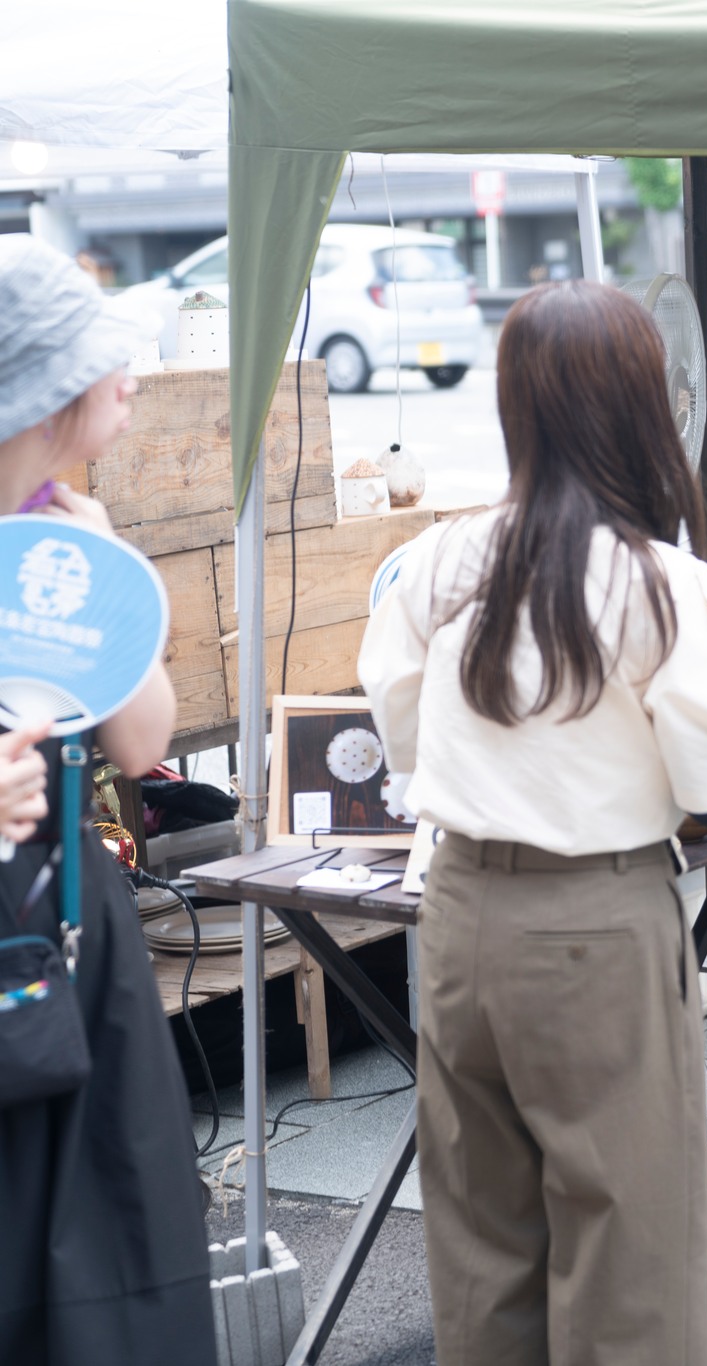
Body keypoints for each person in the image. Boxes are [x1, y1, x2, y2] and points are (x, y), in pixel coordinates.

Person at [359, 279, 707, 1366]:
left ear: (515, 407)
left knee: (482, 1247)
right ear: (643, 407)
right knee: (626, 1254)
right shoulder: (662, 585)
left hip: (455, 917)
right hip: (594, 927)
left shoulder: (439, 563)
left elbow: (406, 738)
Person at [0, 235, 214, 1362]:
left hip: (74, 920)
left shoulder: (69, 530)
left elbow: (142, 738)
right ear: (45, 387)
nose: (128, 372)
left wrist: (109, 565)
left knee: (117, 1233)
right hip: (22, 918)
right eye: (102, 354)